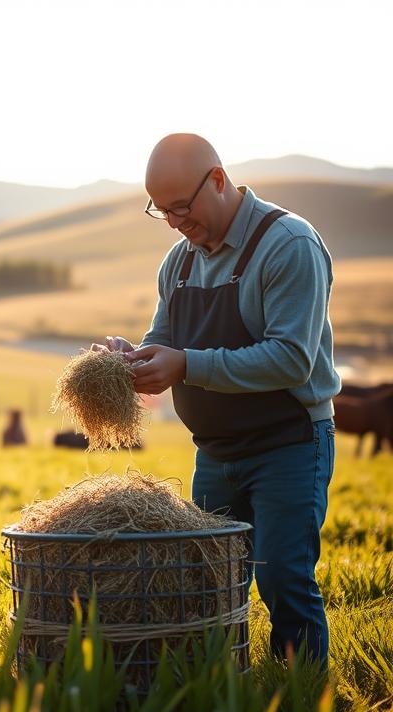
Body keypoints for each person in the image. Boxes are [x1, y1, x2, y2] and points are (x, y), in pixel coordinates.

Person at [94, 134, 340, 664]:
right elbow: (163, 343)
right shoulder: (178, 262)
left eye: (182, 207)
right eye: (162, 213)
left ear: (219, 181)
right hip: (216, 452)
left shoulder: (288, 246)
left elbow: (291, 358)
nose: (177, 222)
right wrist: (127, 359)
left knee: (283, 578)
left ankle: (302, 701)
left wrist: (187, 364)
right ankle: (222, 686)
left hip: (289, 445)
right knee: (207, 581)